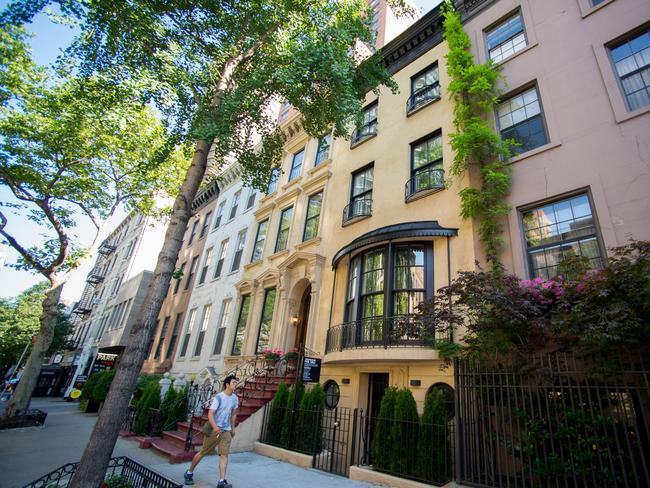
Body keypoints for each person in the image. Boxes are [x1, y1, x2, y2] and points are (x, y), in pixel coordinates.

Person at [184, 375, 239, 488]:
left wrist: (233, 428)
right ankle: (189, 473)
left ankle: (221, 481)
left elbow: (234, 414)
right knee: (203, 452)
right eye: (233, 382)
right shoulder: (219, 397)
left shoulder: (235, 398)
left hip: (226, 430)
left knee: (224, 455)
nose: (235, 384)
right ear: (227, 384)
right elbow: (210, 414)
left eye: (236, 382)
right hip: (215, 430)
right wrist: (215, 428)